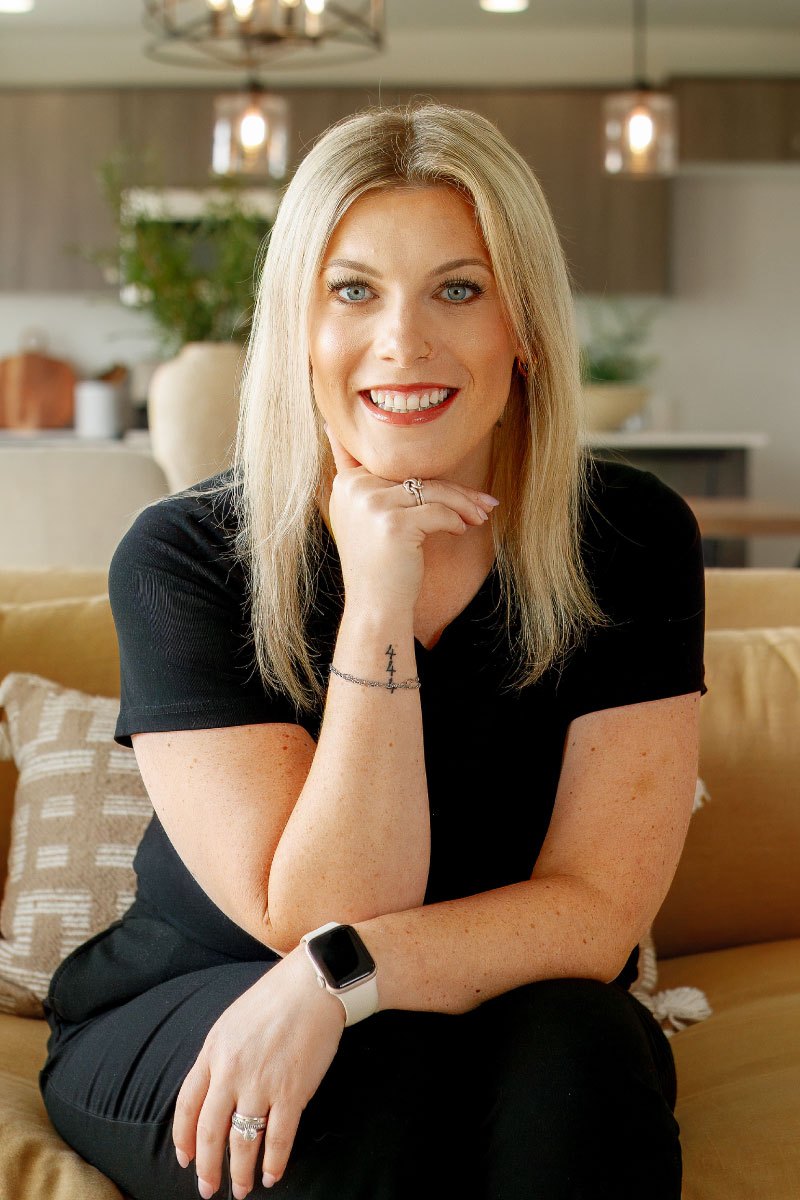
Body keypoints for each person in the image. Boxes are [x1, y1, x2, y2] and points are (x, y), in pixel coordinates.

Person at [39, 103, 705, 1200]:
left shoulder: (626, 539)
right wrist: (377, 596)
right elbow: (324, 905)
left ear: (523, 324)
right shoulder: (186, 557)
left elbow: (592, 913)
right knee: (363, 1102)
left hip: (498, 988)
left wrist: (340, 979)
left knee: (586, 1055)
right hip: (204, 989)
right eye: (352, 291)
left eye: (458, 288)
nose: (403, 342)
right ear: (298, 327)